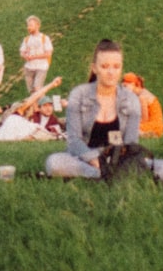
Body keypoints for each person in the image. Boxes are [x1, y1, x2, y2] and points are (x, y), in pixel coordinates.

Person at [45, 40, 142, 178]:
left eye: (116, 67)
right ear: (94, 68)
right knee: (54, 163)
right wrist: (96, 162)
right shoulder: (78, 95)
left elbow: (131, 143)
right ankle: (101, 175)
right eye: (104, 66)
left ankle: (109, 174)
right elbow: (74, 141)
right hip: (84, 158)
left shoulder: (131, 100)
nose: (111, 72)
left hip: (117, 158)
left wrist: (116, 161)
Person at [123, 72, 163, 138]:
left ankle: (145, 134)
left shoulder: (142, 97)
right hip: (154, 124)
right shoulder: (141, 93)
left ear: (133, 84)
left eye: (125, 86)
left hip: (154, 126)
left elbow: (145, 119)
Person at [19, 15, 53, 94]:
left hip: (41, 67)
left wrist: (34, 57)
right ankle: (36, 106)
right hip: (29, 68)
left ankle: (44, 104)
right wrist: (25, 56)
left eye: (31, 25)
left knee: (37, 88)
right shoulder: (27, 39)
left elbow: (48, 53)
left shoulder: (44, 38)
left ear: (37, 25)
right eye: (28, 25)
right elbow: (22, 52)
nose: (28, 27)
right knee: (32, 92)